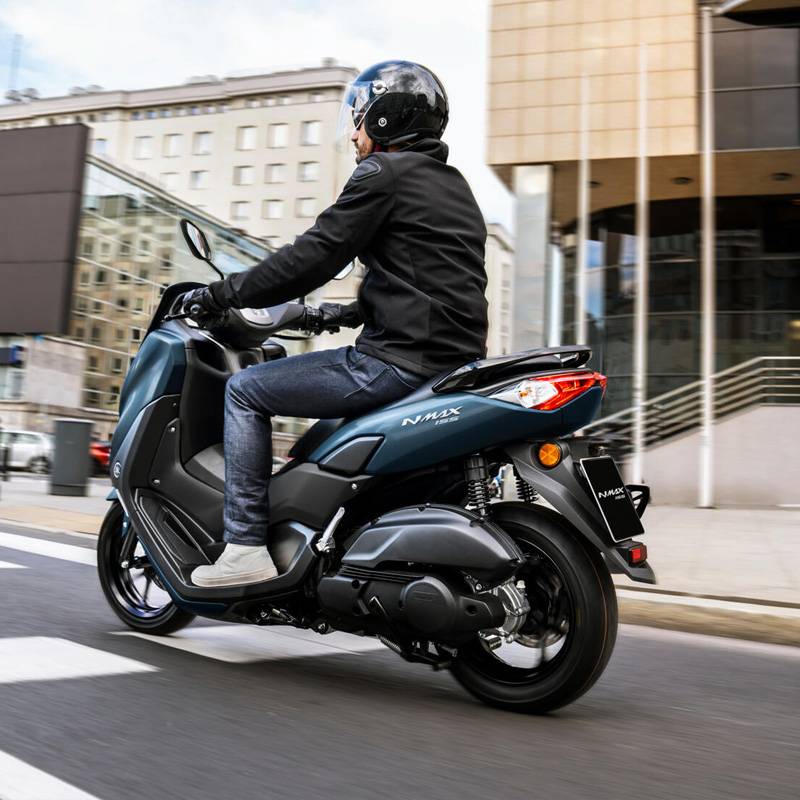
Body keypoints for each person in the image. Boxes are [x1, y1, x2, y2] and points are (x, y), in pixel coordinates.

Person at [184, 60, 489, 588]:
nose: (353, 134)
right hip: (450, 364)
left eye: (360, 119)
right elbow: (425, 283)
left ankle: (245, 547)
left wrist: (220, 293)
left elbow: (314, 256)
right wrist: (333, 315)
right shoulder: (455, 188)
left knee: (245, 390)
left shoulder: (383, 173)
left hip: (396, 363)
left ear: (387, 118)